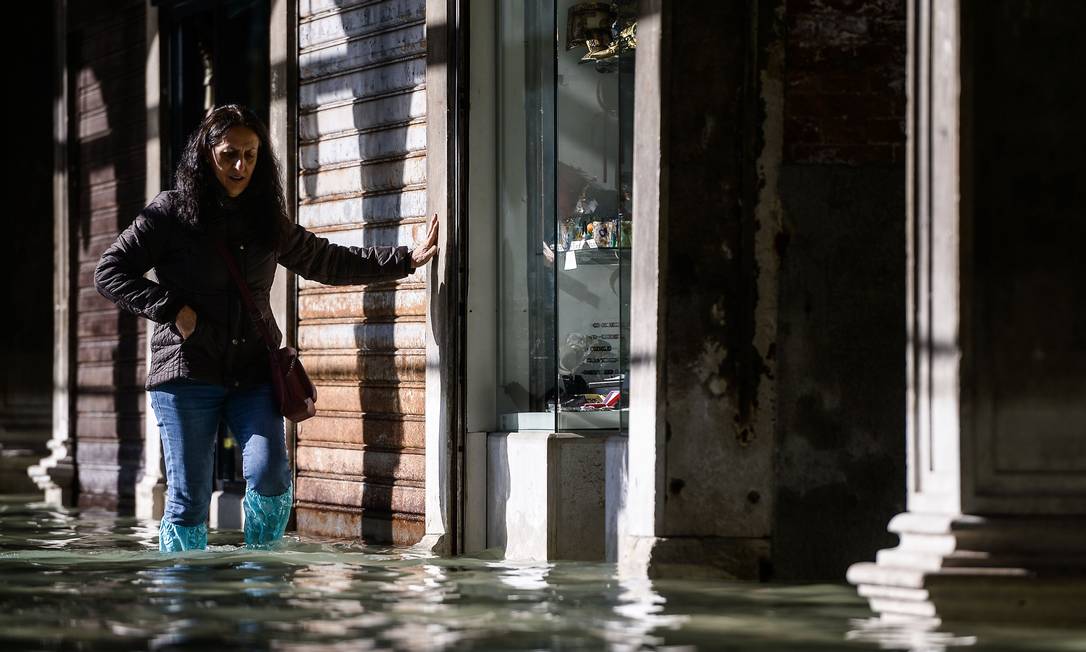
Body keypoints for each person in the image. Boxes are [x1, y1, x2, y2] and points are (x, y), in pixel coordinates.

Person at [94, 105, 439, 552]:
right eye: (230, 154)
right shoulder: (170, 213)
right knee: (189, 499)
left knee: (271, 473)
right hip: (186, 373)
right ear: (206, 154)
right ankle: (187, 607)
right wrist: (171, 307)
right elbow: (109, 271)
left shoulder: (265, 219)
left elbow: (325, 260)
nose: (241, 166)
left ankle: (260, 587)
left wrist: (405, 259)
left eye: (251, 155)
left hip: (252, 370)